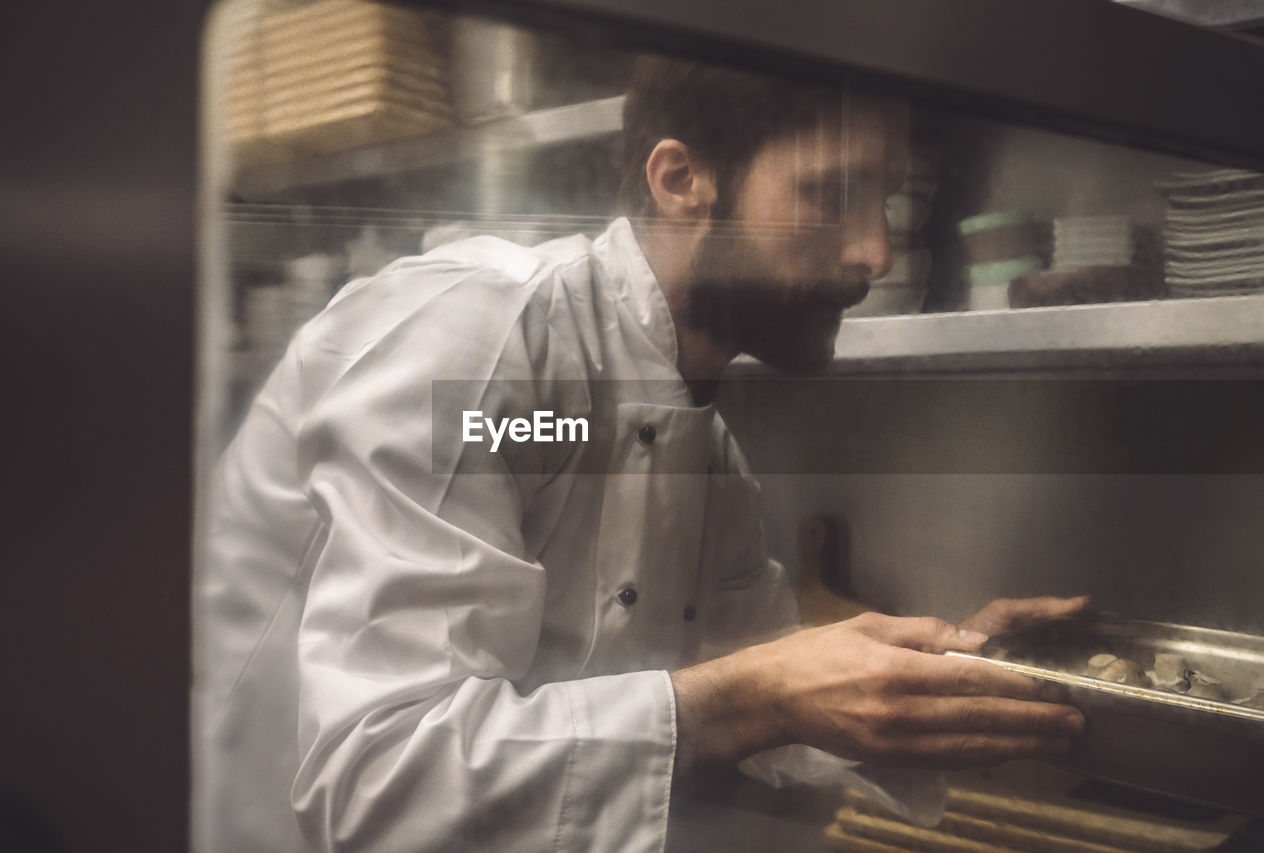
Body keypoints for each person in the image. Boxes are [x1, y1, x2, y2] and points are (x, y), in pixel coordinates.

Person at [194, 56, 1088, 853]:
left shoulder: (704, 452)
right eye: (830, 194)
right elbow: (378, 784)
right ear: (681, 178)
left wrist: (963, 678)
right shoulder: (483, 347)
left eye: (886, 201)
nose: (874, 251)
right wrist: (761, 692)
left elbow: (767, 690)